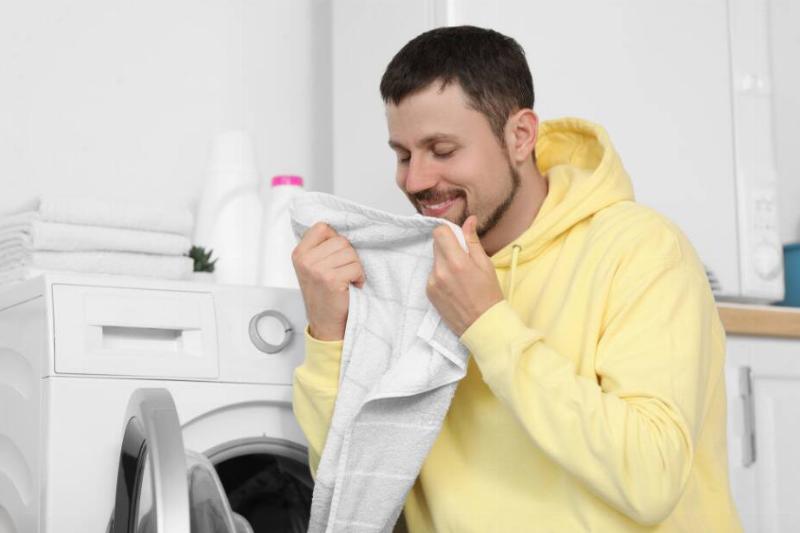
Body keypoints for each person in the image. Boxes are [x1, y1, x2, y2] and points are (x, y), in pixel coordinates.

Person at [291, 25, 742, 532]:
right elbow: (359, 490)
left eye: (441, 150)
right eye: (402, 155)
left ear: (520, 136)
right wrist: (329, 335)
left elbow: (650, 478)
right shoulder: (419, 269)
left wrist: (487, 322)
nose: (415, 180)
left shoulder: (641, 248)